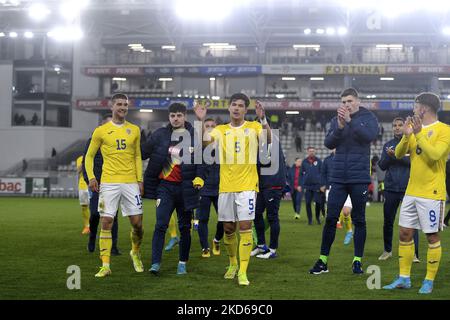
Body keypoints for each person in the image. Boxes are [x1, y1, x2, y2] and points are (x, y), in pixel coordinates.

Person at [197, 93, 271, 286]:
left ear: (246, 110)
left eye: (241, 105)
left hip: (247, 186)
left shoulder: (254, 127)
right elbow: (204, 143)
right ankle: (232, 264)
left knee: (245, 227)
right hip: (226, 187)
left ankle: (243, 272)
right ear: (229, 108)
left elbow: (268, 140)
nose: (237, 108)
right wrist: (200, 120)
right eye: (234, 105)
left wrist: (263, 118)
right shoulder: (220, 130)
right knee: (229, 228)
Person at [383, 92, 450, 294]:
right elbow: (399, 153)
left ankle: (428, 280)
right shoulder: (412, 130)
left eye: (415, 105)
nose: (413, 109)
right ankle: (404, 278)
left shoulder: (444, 130)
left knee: (431, 236)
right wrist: (406, 134)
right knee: (404, 233)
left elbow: (435, 155)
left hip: (432, 192)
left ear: (423, 108)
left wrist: (419, 134)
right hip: (411, 191)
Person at [309, 87, 379, 275]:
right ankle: (323, 261)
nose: (346, 105)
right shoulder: (335, 120)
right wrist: (340, 128)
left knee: (359, 220)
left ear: (357, 101)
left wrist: (349, 121)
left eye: (349, 101)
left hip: (359, 178)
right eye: (343, 102)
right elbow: (328, 143)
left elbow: (369, 136)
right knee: (331, 219)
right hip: (338, 178)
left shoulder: (368, 118)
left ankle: (357, 261)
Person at [85, 93, 144, 278]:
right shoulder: (101, 131)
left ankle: (135, 252)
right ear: (112, 107)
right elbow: (89, 156)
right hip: (109, 183)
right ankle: (105, 265)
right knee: (106, 221)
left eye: (125, 104)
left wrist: (140, 179)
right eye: (119, 104)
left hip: (130, 182)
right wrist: (92, 177)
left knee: (137, 225)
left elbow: (137, 156)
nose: (123, 107)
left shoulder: (134, 129)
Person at [141, 102, 205, 275]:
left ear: (185, 116)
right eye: (172, 116)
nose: (175, 119)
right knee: (160, 225)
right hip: (165, 188)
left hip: (186, 189)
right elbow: (142, 152)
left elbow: (200, 160)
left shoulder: (194, 135)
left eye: (179, 115)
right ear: (169, 117)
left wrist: (199, 177)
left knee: (185, 228)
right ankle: (155, 263)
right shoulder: (159, 135)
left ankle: (182, 263)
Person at [377, 117, 419, 262]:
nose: (397, 127)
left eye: (400, 125)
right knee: (388, 221)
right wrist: (389, 156)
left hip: (409, 188)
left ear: (405, 126)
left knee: (411, 222)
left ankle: (414, 254)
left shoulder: (412, 142)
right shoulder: (388, 145)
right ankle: (387, 250)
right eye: (394, 125)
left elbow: (414, 163)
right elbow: (382, 165)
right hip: (390, 188)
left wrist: (395, 155)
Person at [82, 114, 120, 255]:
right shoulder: (92, 141)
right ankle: (92, 237)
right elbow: (85, 161)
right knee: (95, 214)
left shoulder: (117, 142)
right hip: (96, 184)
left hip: (113, 183)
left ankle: (113, 246)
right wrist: (89, 180)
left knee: (113, 216)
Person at [251, 129, 286, 259]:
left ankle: (272, 250)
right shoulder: (263, 144)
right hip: (264, 185)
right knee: (256, 213)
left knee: (272, 217)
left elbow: (263, 162)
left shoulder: (272, 143)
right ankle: (261, 245)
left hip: (273, 185)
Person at [194, 118, 224, 258]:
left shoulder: (224, 145)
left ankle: (216, 240)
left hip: (221, 188)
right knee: (202, 219)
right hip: (204, 188)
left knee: (224, 219)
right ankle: (205, 247)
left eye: (213, 126)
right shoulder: (199, 146)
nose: (211, 128)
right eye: (208, 126)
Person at [320, 149, 353, 245]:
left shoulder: (347, 157)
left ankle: (349, 231)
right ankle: (330, 235)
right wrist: (323, 184)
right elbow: (323, 173)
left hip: (346, 186)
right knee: (331, 214)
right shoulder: (327, 160)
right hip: (331, 187)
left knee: (346, 211)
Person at [301, 147, 323, 225]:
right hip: (307, 186)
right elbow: (301, 174)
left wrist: (321, 184)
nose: (311, 152)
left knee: (318, 203)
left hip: (317, 186)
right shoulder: (304, 162)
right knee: (307, 203)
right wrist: (301, 184)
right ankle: (309, 219)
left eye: (313, 151)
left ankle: (317, 217)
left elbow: (322, 173)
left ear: (315, 152)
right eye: (310, 151)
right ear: (307, 152)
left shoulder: (319, 161)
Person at [76, 155, 90, 235]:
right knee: (84, 206)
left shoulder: (97, 156)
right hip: (83, 185)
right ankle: (87, 226)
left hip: (95, 184)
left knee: (97, 207)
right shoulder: (80, 158)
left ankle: (102, 226)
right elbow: (78, 170)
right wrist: (85, 160)